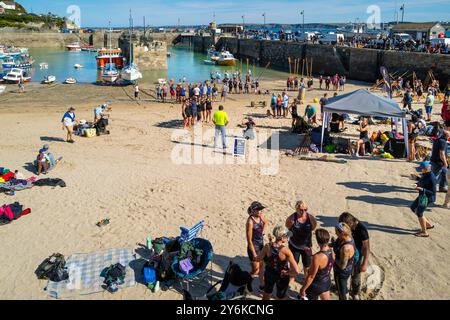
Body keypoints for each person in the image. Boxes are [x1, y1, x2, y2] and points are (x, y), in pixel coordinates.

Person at [258, 226, 300, 300]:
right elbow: (296, 271)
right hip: (282, 276)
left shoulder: (267, 246)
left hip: (269, 273)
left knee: (266, 294)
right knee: (280, 297)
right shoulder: (286, 251)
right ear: (282, 238)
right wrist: (287, 273)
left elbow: (258, 259)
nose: (288, 238)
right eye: (287, 236)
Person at [338, 212, 370, 300]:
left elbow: (367, 248)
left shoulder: (362, 230)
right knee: (344, 272)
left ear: (350, 223)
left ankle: (355, 292)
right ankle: (344, 289)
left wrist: (364, 263)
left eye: (345, 226)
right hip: (347, 252)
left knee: (356, 275)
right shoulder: (347, 226)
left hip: (357, 255)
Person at [299, 229, 335, 300]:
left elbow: (311, 276)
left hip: (316, 285)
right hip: (327, 282)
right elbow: (326, 263)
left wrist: (303, 289)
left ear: (318, 242)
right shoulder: (332, 251)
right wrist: (311, 255)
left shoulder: (317, 257)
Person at [285, 200, 317, 281]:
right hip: (294, 245)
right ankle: (292, 279)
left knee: (307, 266)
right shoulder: (292, 219)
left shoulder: (311, 218)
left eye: (305, 210)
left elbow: (313, 228)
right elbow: (289, 228)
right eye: (301, 210)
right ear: (296, 209)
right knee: (293, 264)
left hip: (307, 247)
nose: (303, 212)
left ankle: (306, 280)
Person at [410, 161, 436, 237]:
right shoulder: (425, 174)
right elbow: (422, 180)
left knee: (419, 213)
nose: (421, 170)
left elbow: (432, 192)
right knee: (413, 207)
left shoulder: (432, 178)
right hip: (422, 195)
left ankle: (424, 232)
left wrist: (421, 189)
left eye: (422, 169)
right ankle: (428, 225)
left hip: (427, 197)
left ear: (427, 169)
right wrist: (416, 180)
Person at [332, 222, 356, 300]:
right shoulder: (347, 237)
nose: (335, 233)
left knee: (341, 293)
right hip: (347, 269)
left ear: (342, 233)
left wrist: (333, 258)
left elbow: (342, 266)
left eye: (336, 232)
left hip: (341, 273)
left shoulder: (346, 248)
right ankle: (347, 294)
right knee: (344, 288)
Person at [246, 202, 268, 278]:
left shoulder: (261, 216)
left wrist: (263, 232)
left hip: (261, 245)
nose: (260, 211)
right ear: (253, 211)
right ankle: (245, 279)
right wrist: (254, 253)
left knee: (261, 267)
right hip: (254, 247)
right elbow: (249, 240)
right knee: (255, 270)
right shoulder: (250, 222)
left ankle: (261, 283)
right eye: (258, 210)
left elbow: (266, 222)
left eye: (261, 209)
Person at [430, 128, 448, 192]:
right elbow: (441, 154)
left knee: (444, 173)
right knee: (434, 176)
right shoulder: (443, 141)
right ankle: (429, 188)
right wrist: (445, 163)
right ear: (446, 135)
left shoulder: (437, 140)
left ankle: (442, 187)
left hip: (435, 160)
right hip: (438, 162)